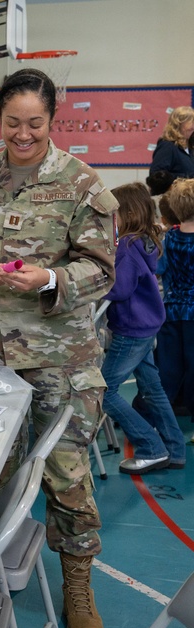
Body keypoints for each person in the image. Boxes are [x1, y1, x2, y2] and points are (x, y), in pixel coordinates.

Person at [0, 68, 117, 628]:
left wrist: (49, 279)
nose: (22, 134)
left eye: (34, 123)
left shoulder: (81, 183)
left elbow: (100, 269)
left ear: (52, 118)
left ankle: (78, 584)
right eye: (12, 123)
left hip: (58, 359)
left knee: (66, 477)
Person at [100, 183, 186, 474]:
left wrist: (95, 285)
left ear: (128, 213)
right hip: (147, 325)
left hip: (131, 329)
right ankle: (175, 449)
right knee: (153, 389)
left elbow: (121, 289)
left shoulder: (125, 245)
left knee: (104, 391)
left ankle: (151, 447)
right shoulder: (145, 239)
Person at [157, 179, 194, 420]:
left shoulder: (169, 238)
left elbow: (159, 268)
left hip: (170, 311)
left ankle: (159, 419)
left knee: (168, 370)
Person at [149, 105, 194, 180]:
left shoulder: (190, 147)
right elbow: (156, 176)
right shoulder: (167, 146)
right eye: (190, 122)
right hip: (175, 191)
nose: (193, 127)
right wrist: (187, 177)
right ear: (178, 124)